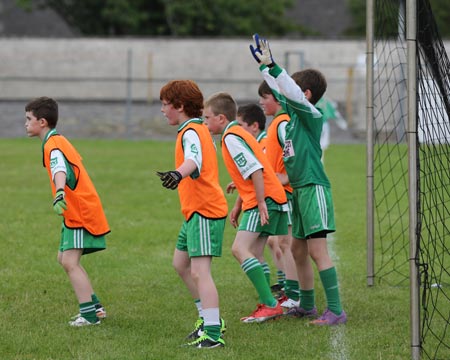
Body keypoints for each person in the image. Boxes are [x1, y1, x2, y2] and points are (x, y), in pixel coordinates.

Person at [249, 34, 347, 325]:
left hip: (313, 188)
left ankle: (336, 311)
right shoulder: (291, 116)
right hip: (299, 192)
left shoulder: (310, 115)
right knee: (297, 249)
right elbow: (282, 93)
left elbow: (287, 90)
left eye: (294, 90)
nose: (285, 96)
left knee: (317, 251)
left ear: (305, 95)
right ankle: (306, 305)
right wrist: (266, 69)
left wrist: (275, 66)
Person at [24, 96, 110, 327]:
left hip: (80, 210)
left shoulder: (53, 145)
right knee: (63, 258)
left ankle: (90, 316)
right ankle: (97, 308)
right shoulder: (56, 141)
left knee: (70, 261)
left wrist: (59, 192)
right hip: (76, 210)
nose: (26, 123)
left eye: (29, 119)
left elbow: (59, 168)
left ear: (42, 122)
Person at [203, 92, 287, 323]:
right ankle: (268, 302)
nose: (205, 122)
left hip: (265, 199)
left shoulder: (231, 136)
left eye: (207, 117)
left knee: (239, 249)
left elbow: (255, 170)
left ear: (221, 118)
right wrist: (240, 203)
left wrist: (259, 202)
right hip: (272, 197)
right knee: (256, 252)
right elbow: (252, 169)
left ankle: (271, 304)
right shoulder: (237, 133)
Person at [156, 80, 228, 348]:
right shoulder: (194, 129)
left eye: (165, 104)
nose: (163, 110)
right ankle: (206, 320)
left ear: (180, 106)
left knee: (200, 271)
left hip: (205, 210)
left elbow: (193, 160)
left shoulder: (191, 132)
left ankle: (213, 333)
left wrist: (178, 173)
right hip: (194, 212)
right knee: (180, 264)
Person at [258, 81, 300, 310]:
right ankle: (292, 292)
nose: (261, 102)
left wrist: (286, 177)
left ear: (277, 98)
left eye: (265, 97)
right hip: (280, 194)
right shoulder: (275, 124)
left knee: (286, 243)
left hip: (288, 193)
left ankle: (295, 295)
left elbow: (295, 152)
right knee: (282, 243)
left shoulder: (283, 123)